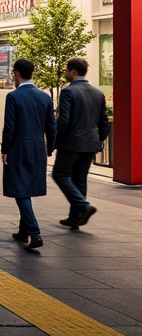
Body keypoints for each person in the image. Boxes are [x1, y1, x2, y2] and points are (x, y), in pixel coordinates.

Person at [2, 58, 56, 249]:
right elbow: (51, 126)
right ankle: (23, 231)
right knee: (28, 187)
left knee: (20, 189)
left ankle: (35, 232)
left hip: (19, 148)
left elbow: (9, 127)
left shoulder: (14, 97)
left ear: (16, 74)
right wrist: (50, 147)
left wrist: (5, 149)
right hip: (37, 148)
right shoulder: (45, 97)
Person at [53, 56, 109, 231]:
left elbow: (64, 121)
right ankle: (75, 217)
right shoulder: (97, 93)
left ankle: (83, 206)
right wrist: (98, 139)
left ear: (73, 72)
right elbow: (104, 121)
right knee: (80, 178)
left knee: (60, 174)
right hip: (90, 143)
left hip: (71, 143)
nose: (65, 73)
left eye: (66, 70)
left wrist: (55, 141)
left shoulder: (68, 92)